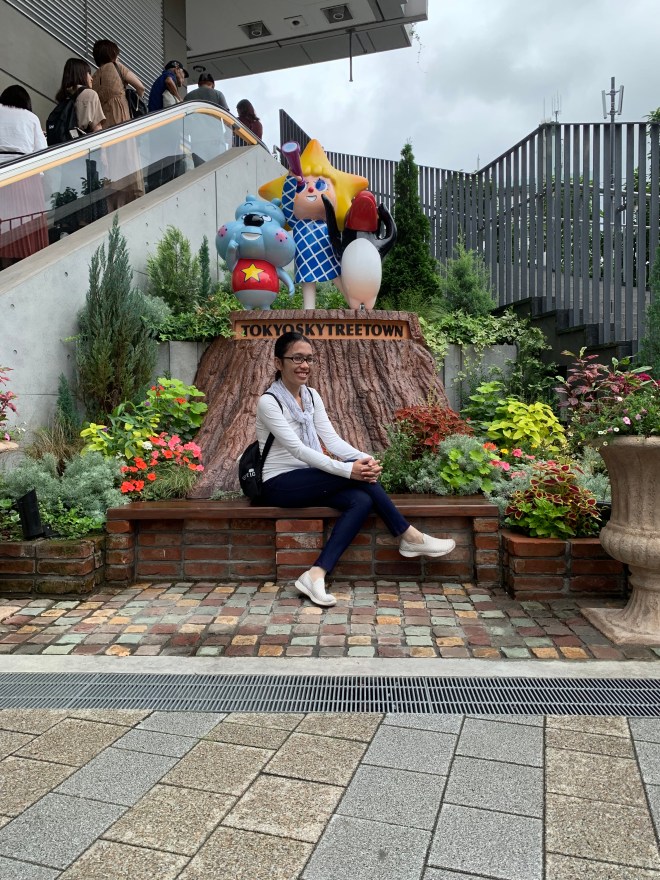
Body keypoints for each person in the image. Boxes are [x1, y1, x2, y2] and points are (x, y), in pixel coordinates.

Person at [256, 332, 456, 607]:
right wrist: (349, 471)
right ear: (279, 363)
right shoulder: (269, 402)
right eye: (297, 358)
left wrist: (366, 459)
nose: (305, 365)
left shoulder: (311, 396)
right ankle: (409, 536)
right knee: (360, 481)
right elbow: (299, 451)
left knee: (361, 500)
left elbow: (332, 441)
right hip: (279, 484)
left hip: (311, 479)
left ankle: (316, 574)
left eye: (309, 359)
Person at [91, 39, 145, 210]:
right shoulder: (117, 67)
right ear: (112, 54)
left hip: (105, 127)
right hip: (122, 122)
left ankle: (115, 207)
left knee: (113, 173)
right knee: (129, 166)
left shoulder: (94, 77)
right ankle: (133, 206)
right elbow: (140, 87)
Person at [0, 85, 48, 266]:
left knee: (3, 226)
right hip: (25, 174)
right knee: (26, 226)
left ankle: (4, 268)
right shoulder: (31, 118)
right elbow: (42, 152)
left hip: (1, 173)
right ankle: (26, 267)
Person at [55, 57, 105, 135]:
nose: (91, 78)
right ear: (80, 74)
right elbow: (97, 128)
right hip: (84, 139)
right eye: (88, 73)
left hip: (66, 140)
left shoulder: (63, 96)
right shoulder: (90, 94)